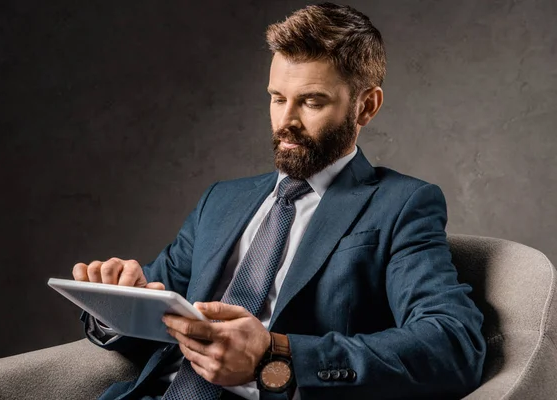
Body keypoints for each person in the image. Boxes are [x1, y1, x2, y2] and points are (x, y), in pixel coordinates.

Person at [72, 3, 486, 399]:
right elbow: (156, 315)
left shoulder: (402, 205)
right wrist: (118, 298)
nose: (286, 121)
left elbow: (453, 344)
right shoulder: (221, 201)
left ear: (366, 107)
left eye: (311, 101)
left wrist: (275, 353)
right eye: (277, 97)